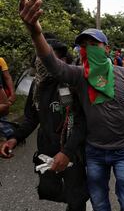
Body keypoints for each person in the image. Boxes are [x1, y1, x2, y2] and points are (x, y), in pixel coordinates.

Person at [18, 0, 124, 211]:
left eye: (94, 43)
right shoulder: (78, 75)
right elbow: (52, 64)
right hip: (94, 150)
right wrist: (36, 33)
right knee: (98, 199)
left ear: (106, 48)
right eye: (84, 45)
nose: (88, 48)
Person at [0, 38, 89, 211]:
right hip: (46, 148)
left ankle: (80, 198)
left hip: (72, 150)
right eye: (39, 58)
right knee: (47, 190)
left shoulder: (72, 83)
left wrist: (67, 152)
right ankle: (84, 195)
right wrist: (14, 138)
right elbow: (32, 117)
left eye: (47, 58)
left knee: (76, 199)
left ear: (61, 61)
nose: (41, 62)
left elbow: (81, 122)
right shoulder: (38, 85)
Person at [0, 57, 17, 139]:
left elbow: (7, 77)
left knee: (6, 130)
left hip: (1, 97)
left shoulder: (0, 60)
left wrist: (12, 93)